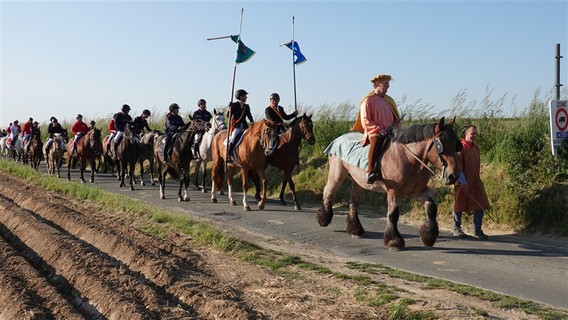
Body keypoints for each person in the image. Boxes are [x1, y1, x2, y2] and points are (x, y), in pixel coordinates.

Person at [352, 74, 401, 184]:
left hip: (391, 131)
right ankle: (370, 171)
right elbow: (366, 120)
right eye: (386, 84)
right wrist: (379, 129)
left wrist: (395, 125)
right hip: (375, 131)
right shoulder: (368, 100)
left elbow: (395, 118)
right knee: (377, 140)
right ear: (378, 84)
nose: (388, 86)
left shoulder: (389, 100)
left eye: (388, 84)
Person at [452, 125, 490, 239]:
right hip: (462, 182)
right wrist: (463, 182)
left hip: (476, 182)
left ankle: (477, 229)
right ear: (466, 134)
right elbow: (458, 167)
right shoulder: (460, 148)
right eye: (472, 133)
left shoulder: (475, 148)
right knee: (459, 205)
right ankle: (456, 228)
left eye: (475, 134)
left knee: (481, 204)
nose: (474, 136)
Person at [227, 89, 254, 162]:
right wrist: (229, 109)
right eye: (245, 96)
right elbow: (228, 116)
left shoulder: (246, 106)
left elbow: (249, 115)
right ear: (241, 97)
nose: (246, 97)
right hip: (237, 126)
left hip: (245, 126)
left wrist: (252, 122)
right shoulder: (234, 105)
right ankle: (229, 154)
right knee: (233, 138)